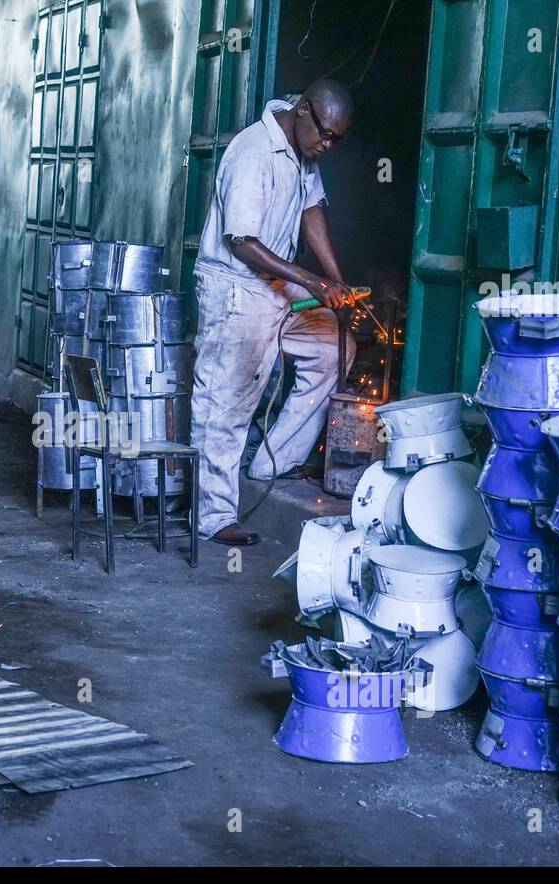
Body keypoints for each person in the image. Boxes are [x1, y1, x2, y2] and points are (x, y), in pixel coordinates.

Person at [188, 79, 358, 547]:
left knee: (334, 348)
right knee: (226, 401)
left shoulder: (304, 152)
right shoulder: (254, 153)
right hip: (237, 289)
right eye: (326, 134)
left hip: (278, 288)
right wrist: (312, 281)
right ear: (303, 110)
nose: (327, 145)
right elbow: (241, 241)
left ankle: (273, 461)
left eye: (337, 140)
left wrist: (335, 279)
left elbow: (312, 211)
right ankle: (213, 516)